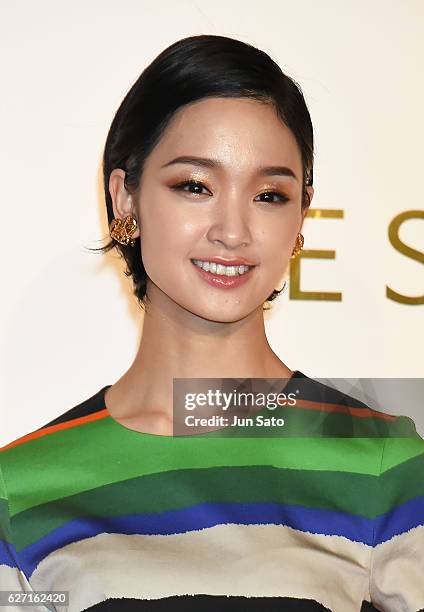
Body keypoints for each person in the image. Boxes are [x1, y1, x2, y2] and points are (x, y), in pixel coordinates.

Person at [1, 34, 423, 612]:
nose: (233, 230)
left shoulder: (381, 465)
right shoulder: (21, 489)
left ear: (302, 212)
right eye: (194, 186)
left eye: (270, 195)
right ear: (125, 198)